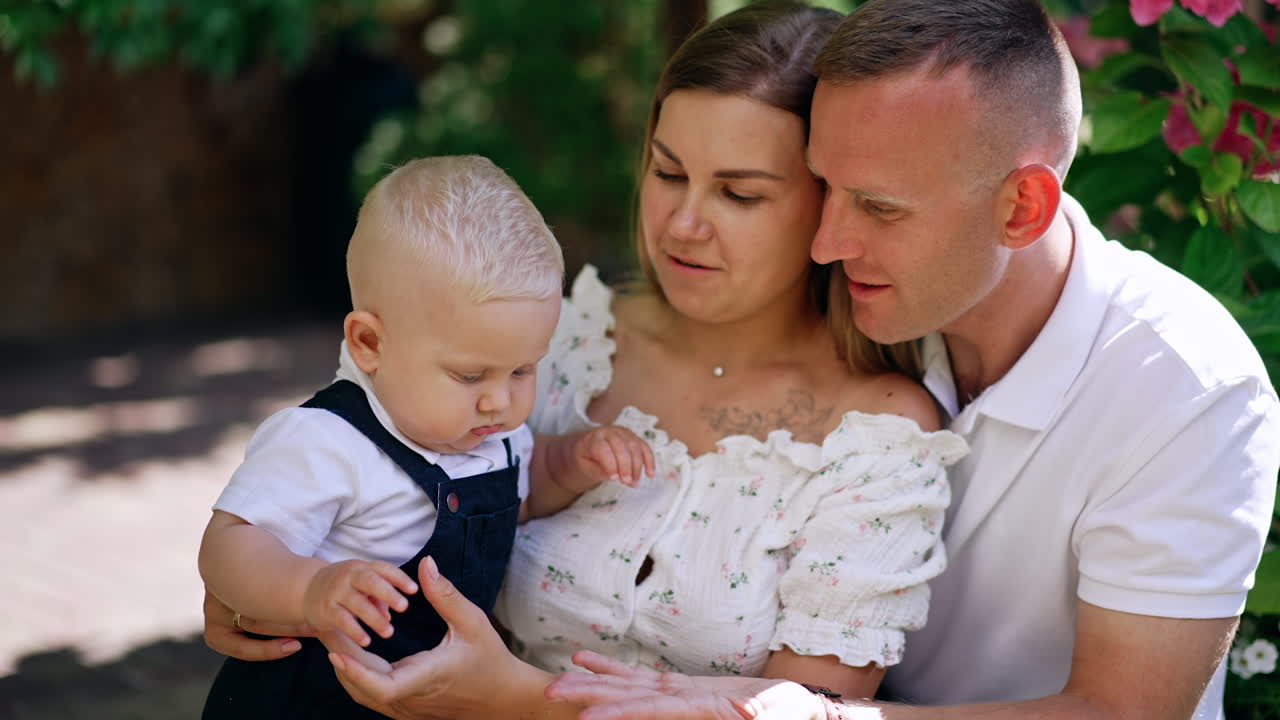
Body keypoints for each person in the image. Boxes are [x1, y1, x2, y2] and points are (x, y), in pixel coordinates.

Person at [202, 2, 969, 717]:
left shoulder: (875, 437)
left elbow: (812, 711)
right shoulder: (560, 342)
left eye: (739, 194)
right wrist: (270, 588)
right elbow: (343, 491)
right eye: (668, 173)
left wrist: (522, 701)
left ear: (829, 202)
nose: (684, 223)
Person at [540, 0, 1280, 718]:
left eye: (880, 207)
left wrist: (805, 714)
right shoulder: (866, 302)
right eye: (823, 187)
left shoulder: (1187, 388)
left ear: (1022, 207)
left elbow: (1125, 714)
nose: (825, 243)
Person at [197, 154, 654, 719]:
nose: (500, 400)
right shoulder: (326, 442)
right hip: (310, 700)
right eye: (469, 375)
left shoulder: (492, 435)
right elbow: (229, 546)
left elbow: (526, 492)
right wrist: (308, 589)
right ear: (369, 344)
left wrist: (578, 461)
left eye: (522, 370)